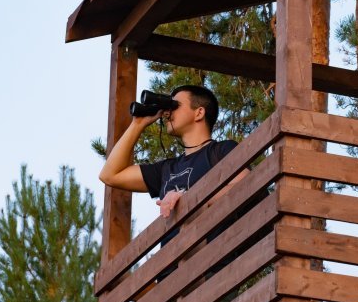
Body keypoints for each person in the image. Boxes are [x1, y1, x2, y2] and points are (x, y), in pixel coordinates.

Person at [99, 84, 248, 246]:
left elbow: (245, 183)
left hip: (212, 263)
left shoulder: (220, 151)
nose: (168, 112)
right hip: (172, 268)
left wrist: (188, 200)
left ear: (199, 113)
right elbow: (110, 175)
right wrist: (138, 124)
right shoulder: (166, 169)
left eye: (175, 105)